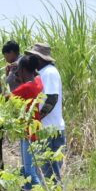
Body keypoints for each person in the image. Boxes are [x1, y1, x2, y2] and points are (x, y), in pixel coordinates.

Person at [0, 54, 43, 191]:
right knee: (28, 171)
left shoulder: (26, 88)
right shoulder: (37, 83)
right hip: (33, 132)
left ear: (21, 69)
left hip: (29, 134)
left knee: (30, 172)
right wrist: (15, 73)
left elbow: (1, 98)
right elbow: (34, 75)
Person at [25, 43, 65, 180]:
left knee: (49, 173)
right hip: (44, 129)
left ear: (40, 59)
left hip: (50, 129)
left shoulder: (49, 72)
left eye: (32, 57)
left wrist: (36, 119)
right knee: (43, 171)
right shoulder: (42, 73)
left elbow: (51, 99)